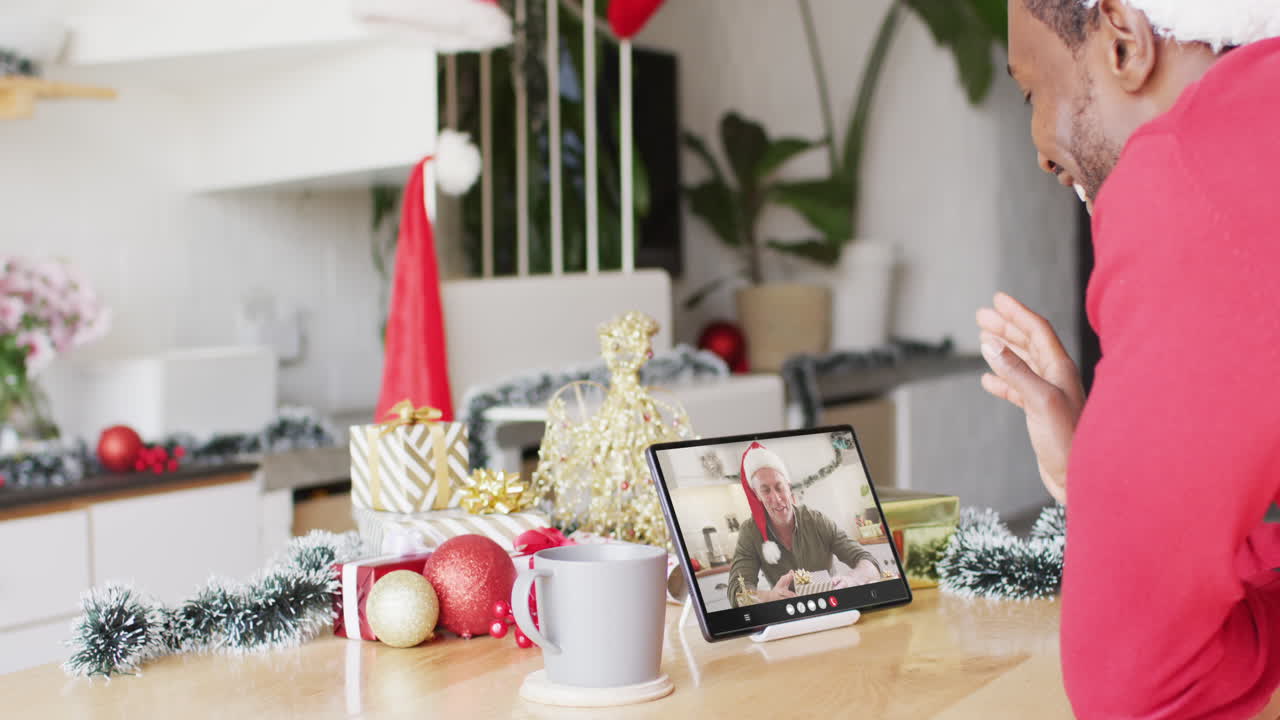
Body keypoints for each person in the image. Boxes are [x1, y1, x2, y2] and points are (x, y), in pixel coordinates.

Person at [978, 1, 1280, 717]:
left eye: (1033, 89)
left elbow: (1139, 686)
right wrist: (1093, 475)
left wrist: (1097, 482)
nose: (1042, 149)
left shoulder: (1193, 169)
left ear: (1123, 41)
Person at [727, 442, 881, 607]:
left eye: (779, 487)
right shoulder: (750, 532)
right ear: (757, 495)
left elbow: (868, 561)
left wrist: (852, 579)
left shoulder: (817, 521)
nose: (776, 498)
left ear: (789, 487)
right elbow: (737, 593)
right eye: (765, 490)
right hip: (788, 614)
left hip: (831, 604)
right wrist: (770, 597)